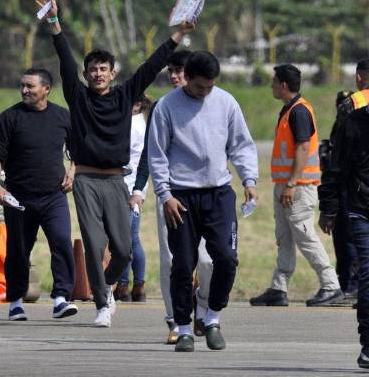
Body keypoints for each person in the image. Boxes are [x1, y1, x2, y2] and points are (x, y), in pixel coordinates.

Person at [36, 0, 194, 328]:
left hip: (116, 180)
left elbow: (151, 66)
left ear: (112, 73)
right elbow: (65, 59)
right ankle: (101, 304)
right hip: (86, 180)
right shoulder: (78, 96)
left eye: (103, 69)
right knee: (94, 244)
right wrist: (54, 21)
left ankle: (106, 286)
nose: (97, 74)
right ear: (86, 74)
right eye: (92, 69)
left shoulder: (125, 96)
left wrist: (179, 34)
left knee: (123, 250)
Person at [148, 51, 259, 353]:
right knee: (183, 265)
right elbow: (157, 155)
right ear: (186, 78)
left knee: (226, 258)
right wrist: (165, 195)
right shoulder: (166, 107)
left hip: (218, 193)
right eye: (199, 86)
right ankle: (183, 328)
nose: (205, 92)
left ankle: (212, 318)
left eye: (210, 86)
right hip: (180, 198)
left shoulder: (226, 102)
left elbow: (241, 144)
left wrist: (249, 180)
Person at [131, 50, 214, 343]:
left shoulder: (213, 103)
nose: (176, 76)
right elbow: (149, 153)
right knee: (171, 259)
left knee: (208, 260)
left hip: (206, 194)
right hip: (171, 195)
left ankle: (202, 308)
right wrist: (139, 189)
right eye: (172, 71)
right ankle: (175, 321)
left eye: (180, 71)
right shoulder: (162, 107)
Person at [0, 68, 76, 321]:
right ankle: (15, 301)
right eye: (22, 85)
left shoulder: (62, 116)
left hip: (54, 195)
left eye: (30, 86)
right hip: (19, 197)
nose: (24, 90)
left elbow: (78, 149)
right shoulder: (9, 118)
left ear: (46, 89)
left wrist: (73, 170)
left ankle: (61, 298)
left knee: (61, 240)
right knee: (18, 249)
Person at [250, 64, 341, 307]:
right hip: (286, 186)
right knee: (284, 237)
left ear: (284, 85)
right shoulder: (289, 109)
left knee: (305, 236)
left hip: (298, 187)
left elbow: (303, 147)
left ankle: (331, 285)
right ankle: (279, 288)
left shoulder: (299, 111)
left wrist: (291, 184)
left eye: (274, 82)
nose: (271, 85)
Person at [318, 68, 369, 369]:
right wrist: (329, 207)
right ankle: (368, 344)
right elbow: (335, 168)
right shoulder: (352, 122)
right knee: (368, 276)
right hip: (361, 209)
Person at [114, 94, 151, 303]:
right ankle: (138, 286)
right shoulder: (140, 124)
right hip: (135, 187)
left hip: (129, 187)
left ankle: (124, 284)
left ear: (137, 105)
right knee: (132, 238)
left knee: (126, 239)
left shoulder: (133, 126)